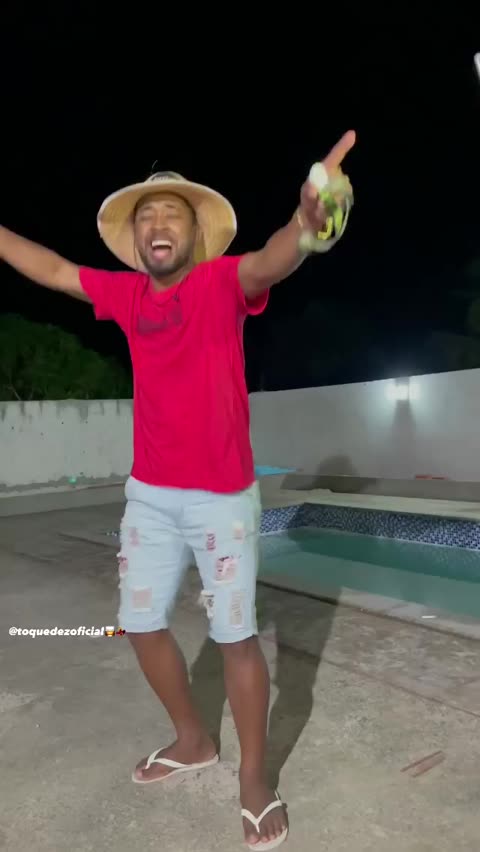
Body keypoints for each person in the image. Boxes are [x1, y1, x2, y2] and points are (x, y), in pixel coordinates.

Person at [0, 131, 355, 850]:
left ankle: (253, 778)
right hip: (150, 497)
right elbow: (56, 269)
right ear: (136, 239)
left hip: (222, 499)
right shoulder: (127, 294)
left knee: (235, 639)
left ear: (195, 233)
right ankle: (193, 738)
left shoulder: (220, 282)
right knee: (140, 623)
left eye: (172, 213)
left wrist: (306, 224)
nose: (158, 223)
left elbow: (272, 260)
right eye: (147, 216)